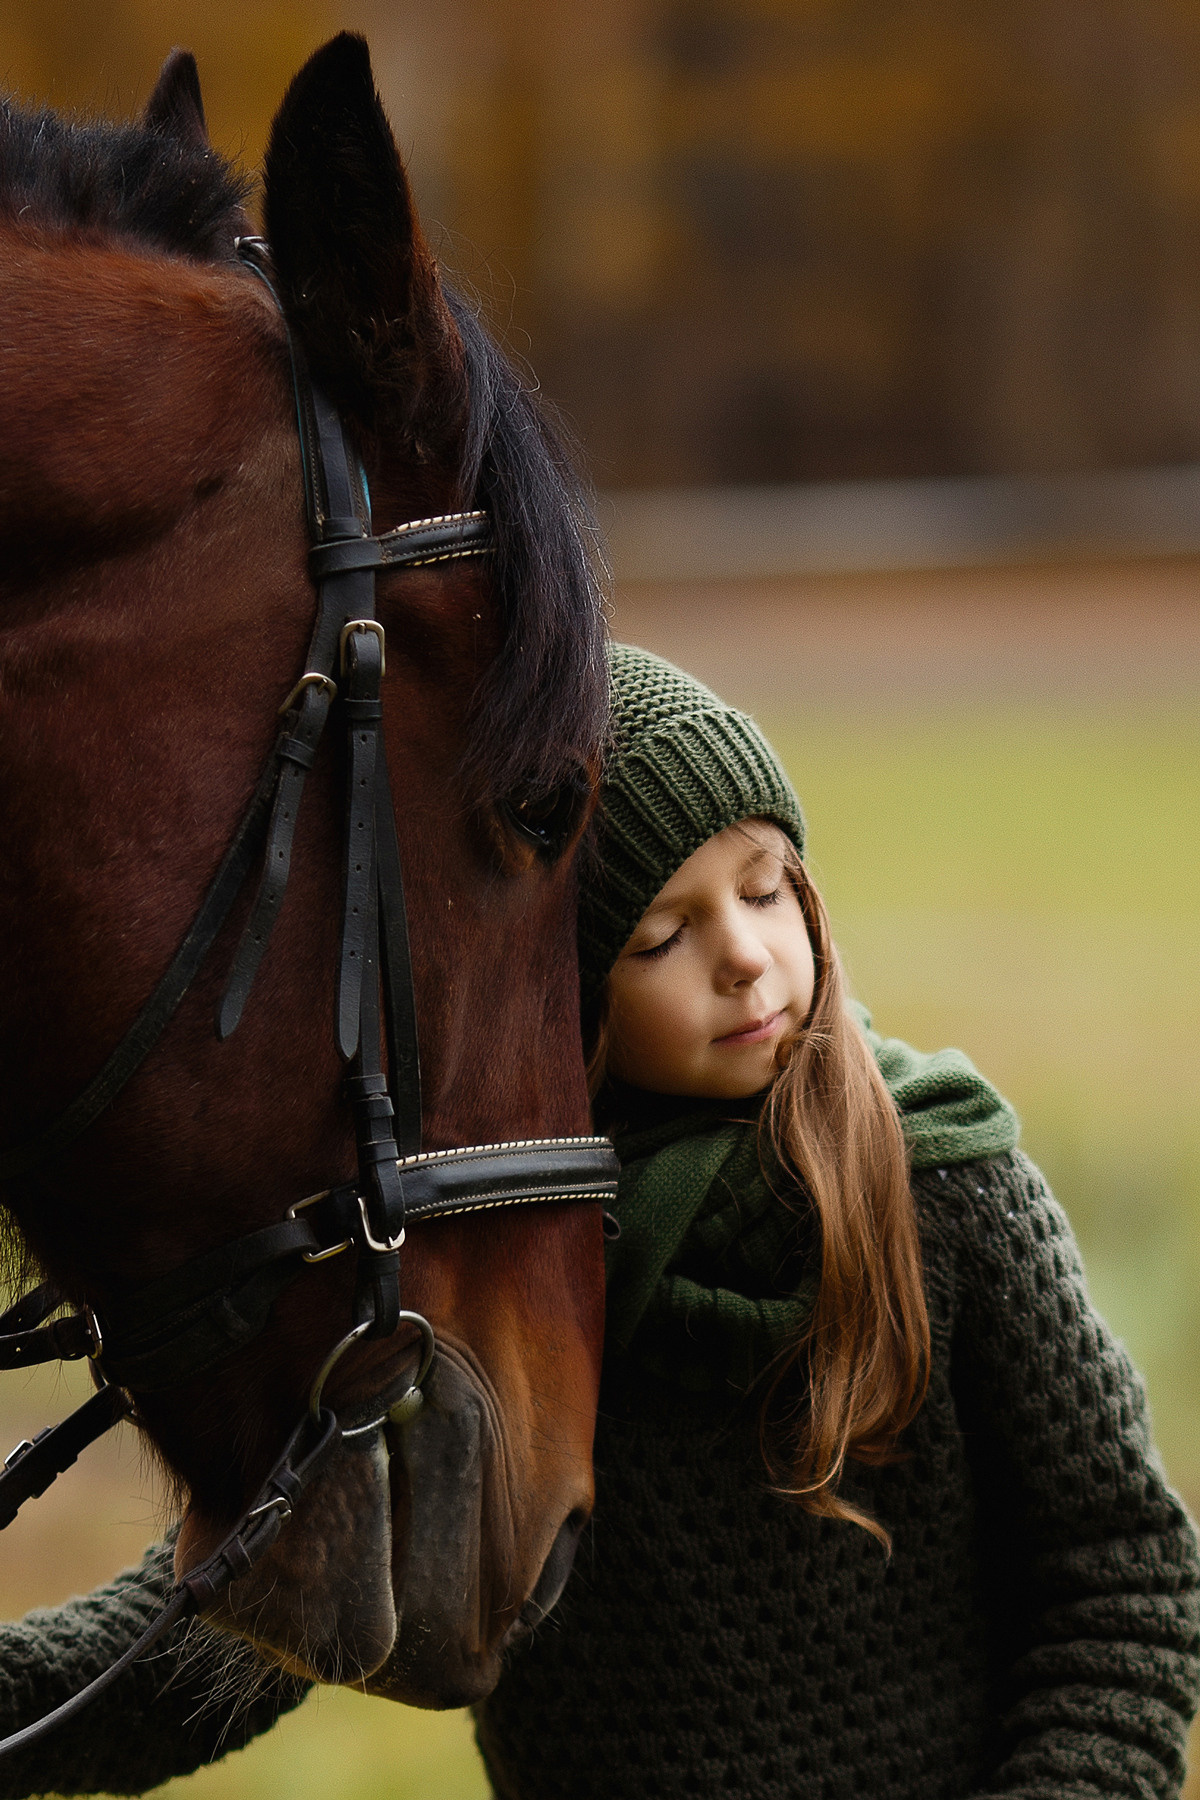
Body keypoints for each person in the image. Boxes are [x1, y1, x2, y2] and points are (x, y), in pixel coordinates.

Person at [1, 645, 1197, 1800]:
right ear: (559, 1000)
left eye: (767, 887)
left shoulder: (948, 1190)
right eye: (662, 935)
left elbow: (1122, 1587)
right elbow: (286, 1588)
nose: (743, 955)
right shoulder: (489, 1266)